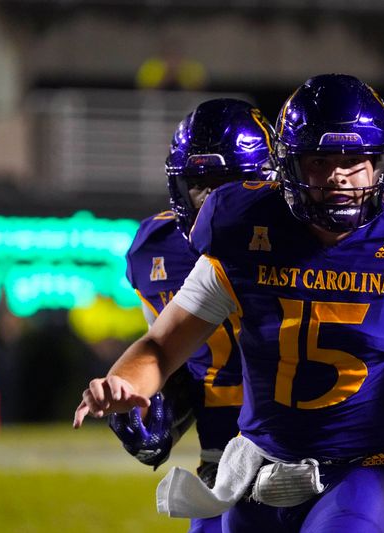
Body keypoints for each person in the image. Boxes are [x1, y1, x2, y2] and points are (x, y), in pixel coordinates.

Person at [74, 73, 384, 533]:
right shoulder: (240, 232)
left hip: (366, 465)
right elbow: (161, 347)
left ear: (381, 164)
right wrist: (122, 383)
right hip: (260, 464)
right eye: (321, 160)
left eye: (355, 159)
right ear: (289, 166)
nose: (339, 176)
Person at [106, 98, 276, 533]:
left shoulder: (305, 240)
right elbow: (172, 362)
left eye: (225, 183)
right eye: (196, 182)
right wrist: (154, 417)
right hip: (221, 464)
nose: (207, 199)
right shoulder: (154, 248)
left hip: (309, 456)